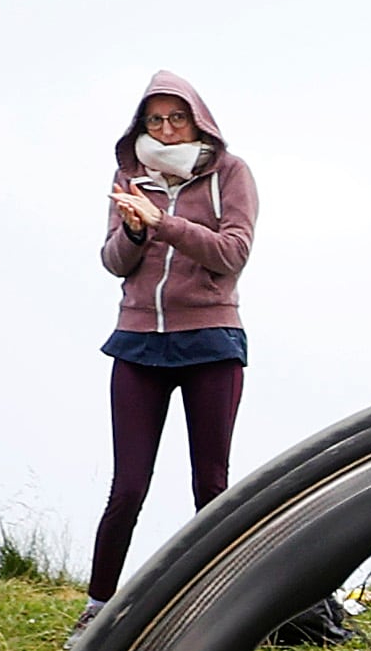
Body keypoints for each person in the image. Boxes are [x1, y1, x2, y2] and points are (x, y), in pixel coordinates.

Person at [89, 73, 258, 601]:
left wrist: (161, 223)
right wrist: (134, 231)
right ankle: (97, 609)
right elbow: (113, 261)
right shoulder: (128, 176)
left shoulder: (230, 173)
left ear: (197, 119)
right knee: (128, 487)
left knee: (211, 485)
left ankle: (219, 607)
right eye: (155, 120)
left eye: (176, 118)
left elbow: (232, 252)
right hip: (138, 343)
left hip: (211, 339)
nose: (165, 130)